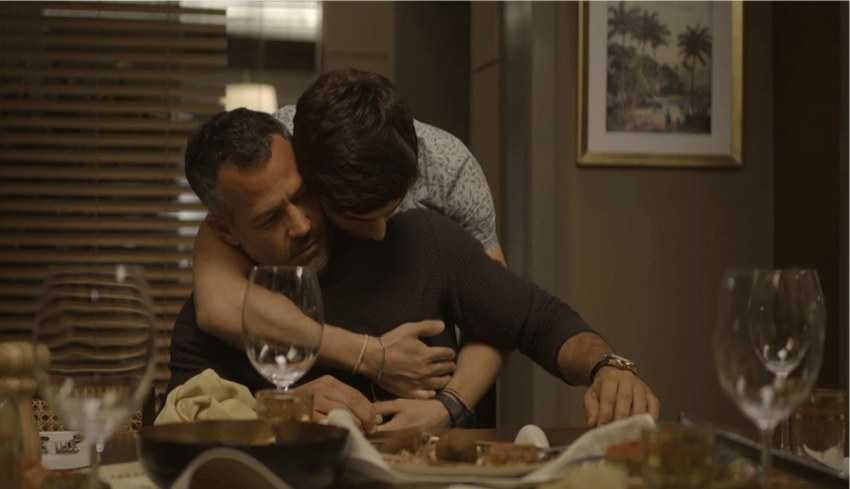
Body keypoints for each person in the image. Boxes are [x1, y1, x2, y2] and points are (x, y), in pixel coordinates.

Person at [169, 108, 660, 434]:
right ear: (226, 231)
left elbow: (537, 319)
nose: (300, 225)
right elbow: (183, 428)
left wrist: (608, 367)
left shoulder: (421, 241)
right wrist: (276, 412)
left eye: (303, 195)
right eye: (270, 218)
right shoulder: (212, 317)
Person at [191, 69, 508, 404]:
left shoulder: (451, 169)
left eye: (392, 210)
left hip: (440, 389)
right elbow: (219, 305)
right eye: (355, 216)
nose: (379, 233)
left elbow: (498, 312)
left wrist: (451, 406)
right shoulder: (282, 151)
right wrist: (372, 357)